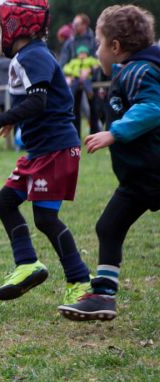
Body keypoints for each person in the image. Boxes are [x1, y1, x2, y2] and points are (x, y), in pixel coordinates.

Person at [0, 0, 91, 308]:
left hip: (55, 149)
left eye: (0, 32)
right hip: (40, 152)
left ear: (15, 28)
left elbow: (39, 102)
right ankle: (27, 264)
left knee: (46, 218)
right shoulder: (28, 56)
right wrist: (15, 118)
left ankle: (80, 282)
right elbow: (35, 101)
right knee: (5, 202)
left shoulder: (32, 55)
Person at [58, 5, 160, 321]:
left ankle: (102, 293)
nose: (96, 50)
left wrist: (113, 133)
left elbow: (153, 107)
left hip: (153, 173)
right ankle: (102, 296)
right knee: (109, 226)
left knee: (109, 226)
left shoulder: (141, 72)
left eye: (99, 43)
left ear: (115, 47)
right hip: (138, 178)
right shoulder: (128, 72)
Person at [63, 45, 100, 137]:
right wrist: (74, 73)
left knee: (87, 84)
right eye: (81, 53)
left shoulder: (90, 60)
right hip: (76, 78)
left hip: (86, 79)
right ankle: (71, 94)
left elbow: (97, 63)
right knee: (74, 87)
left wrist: (90, 69)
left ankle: (89, 92)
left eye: (84, 53)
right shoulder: (74, 61)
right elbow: (66, 67)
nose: (82, 55)